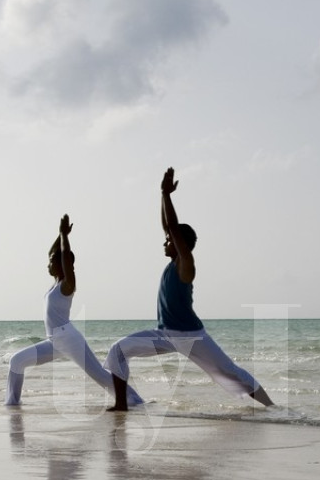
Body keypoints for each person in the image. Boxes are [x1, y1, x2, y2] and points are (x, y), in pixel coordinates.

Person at [107, 168, 273, 411]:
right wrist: (163, 196)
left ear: (179, 243)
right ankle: (121, 404)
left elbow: (172, 227)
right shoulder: (172, 263)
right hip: (165, 335)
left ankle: (273, 408)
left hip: (191, 336)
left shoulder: (186, 263)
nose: (164, 241)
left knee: (230, 373)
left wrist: (167, 194)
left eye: (169, 240)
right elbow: (169, 226)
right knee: (117, 351)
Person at [6, 214, 140, 408]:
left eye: (52, 261)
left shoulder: (67, 285)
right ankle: (11, 404)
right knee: (16, 361)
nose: (48, 264)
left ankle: (135, 400)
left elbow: (66, 259)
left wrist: (65, 239)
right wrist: (60, 234)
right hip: (54, 341)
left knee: (100, 376)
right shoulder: (55, 284)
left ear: (62, 264)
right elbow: (54, 253)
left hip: (69, 339)